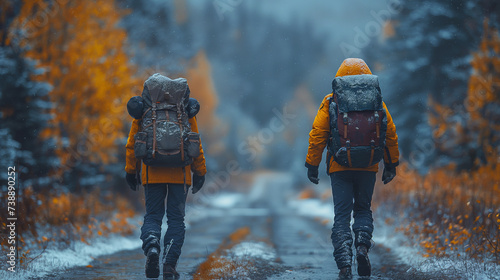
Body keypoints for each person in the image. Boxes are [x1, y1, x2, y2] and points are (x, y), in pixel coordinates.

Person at [305, 58, 399, 279]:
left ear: (340, 76)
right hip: (368, 166)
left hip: (339, 166)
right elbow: (390, 132)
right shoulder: (377, 101)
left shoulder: (331, 101)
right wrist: (391, 164)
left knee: (341, 216)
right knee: (364, 210)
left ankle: (345, 264)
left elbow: (317, 134)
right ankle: (362, 247)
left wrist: (312, 164)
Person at [125, 75, 207, 280]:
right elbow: (196, 144)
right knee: (176, 220)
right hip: (180, 174)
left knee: (153, 216)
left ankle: (152, 244)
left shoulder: (146, 110)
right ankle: (169, 266)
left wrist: (130, 171)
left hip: (152, 173)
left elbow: (132, 143)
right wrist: (200, 173)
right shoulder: (184, 111)